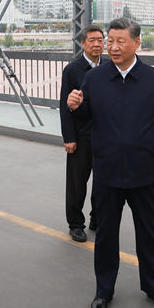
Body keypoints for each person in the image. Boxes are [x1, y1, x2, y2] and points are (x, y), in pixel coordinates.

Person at [67, 18, 154, 308]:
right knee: (105, 234)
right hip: (107, 171)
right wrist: (76, 107)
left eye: (120, 41)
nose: (113, 47)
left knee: (148, 232)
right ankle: (103, 290)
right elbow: (86, 118)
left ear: (137, 43)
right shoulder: (95, 78)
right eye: (110, 41)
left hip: (145, 173)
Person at [59, 26, 105, 242]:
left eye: (100, 40)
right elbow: (65, 106)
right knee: (77, 184)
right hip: (81, 136)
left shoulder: (109, 66)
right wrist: (69, 137)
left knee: (103, 181)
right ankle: (76, 224)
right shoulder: (73, 69)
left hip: (105, 136)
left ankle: (97, 218)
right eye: (92, 40)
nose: (97, 44)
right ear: (83, 43)